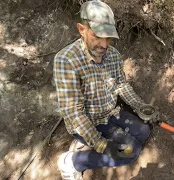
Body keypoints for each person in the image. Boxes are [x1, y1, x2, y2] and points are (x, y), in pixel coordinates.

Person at [53, 1, 152, 179]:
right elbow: (73, 112)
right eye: (98, 36)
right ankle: (72, 162)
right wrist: (100, 144)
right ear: (82, 30)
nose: (104, 44)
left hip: (112, 112)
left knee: (144, 132)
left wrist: (140, 105)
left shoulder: (113, 55)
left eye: (108, 38)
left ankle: (90, 143)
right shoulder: (66, 60)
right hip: (89, 121)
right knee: (130, 151)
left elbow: (121, 84)